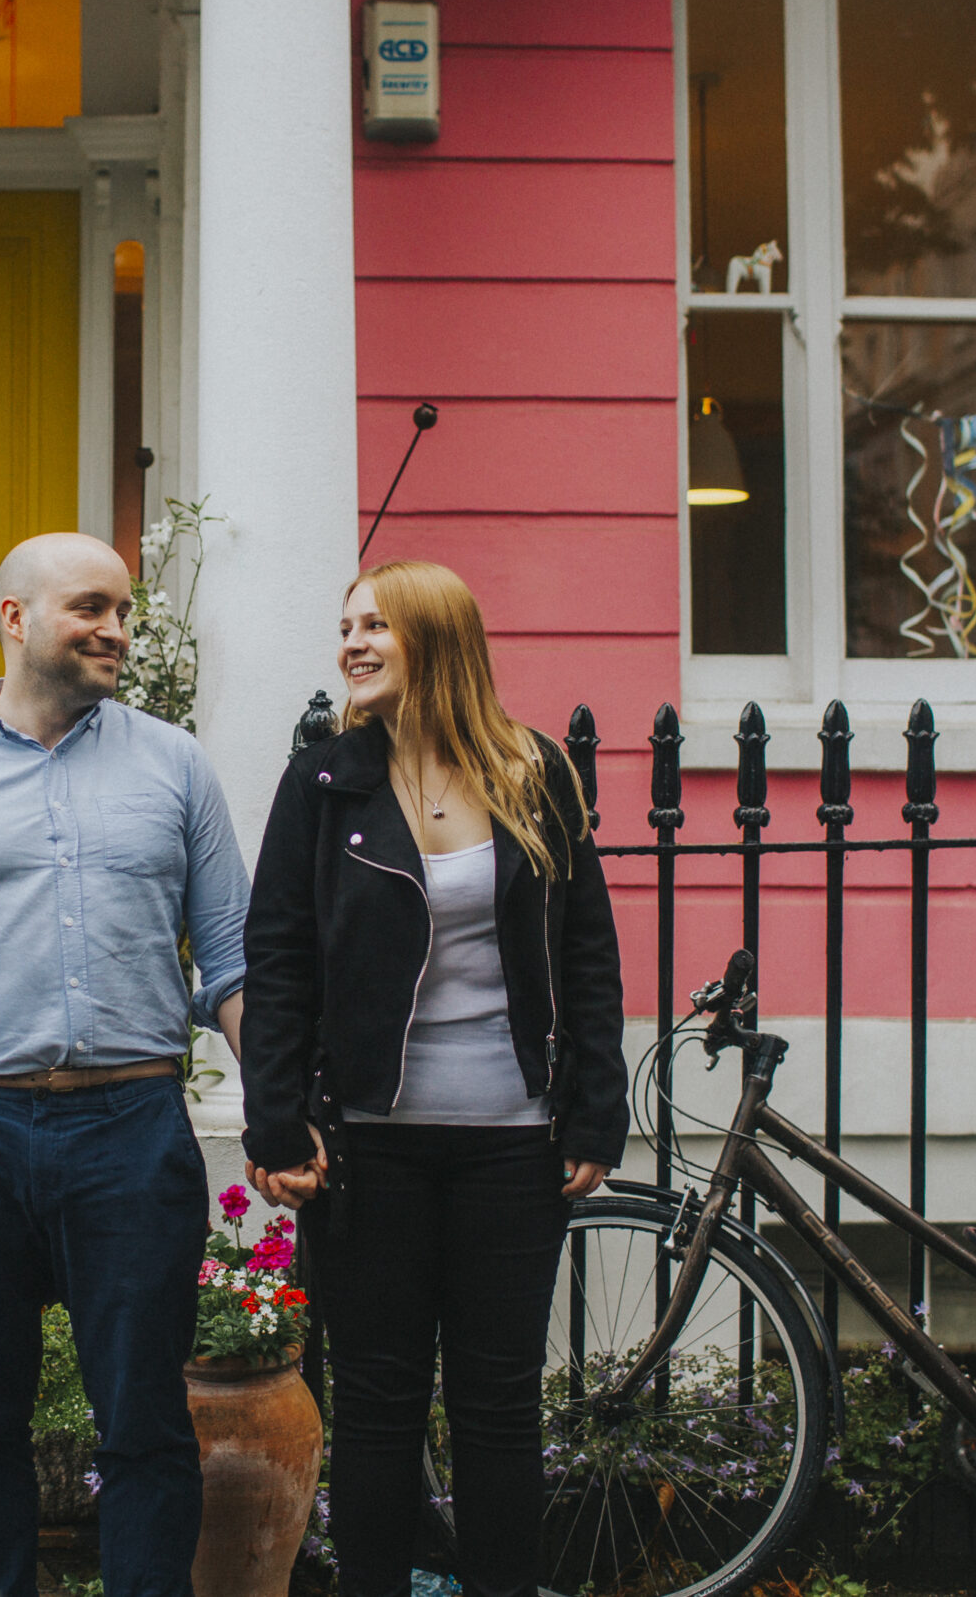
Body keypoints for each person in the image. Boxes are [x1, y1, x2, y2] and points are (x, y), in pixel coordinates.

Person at [0, 532, 250, 1597]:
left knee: (147, 1420)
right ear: (14, 618)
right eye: (89, 608)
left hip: (130, 1127)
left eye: (122, 609)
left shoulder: (174, 765)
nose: (115, 628)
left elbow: (232, 963)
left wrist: (278, 1115)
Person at [238, 559, 627, 1597]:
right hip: (369, 1145)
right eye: (345, 625)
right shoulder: (326, 782)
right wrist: (276, 1120)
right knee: (377, 1406)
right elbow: (275, 957)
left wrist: (596, 1106)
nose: (351, 644)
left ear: (438, 641)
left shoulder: (534, 772)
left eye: (376, 626)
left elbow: (586, 952)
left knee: (500, 1406)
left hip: (513, 1142)